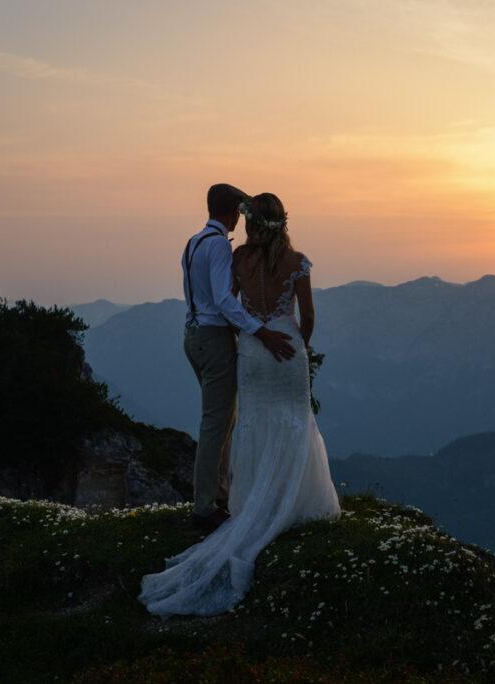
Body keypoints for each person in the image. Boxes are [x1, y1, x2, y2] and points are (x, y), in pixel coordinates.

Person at [140, 192, 340, 617]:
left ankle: (245, 503)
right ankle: (290, 501)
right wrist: (296, 345)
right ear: (282, 223)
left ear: (250, 222)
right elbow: (308, 318)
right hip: (285, 348)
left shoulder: (235, 259)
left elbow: (226, 302)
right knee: (292, 421)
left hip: (249, 350)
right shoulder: (298, 262)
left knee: (249, 422)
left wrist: (252, 337)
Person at [177, 183, 295, 529]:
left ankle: (220, 496)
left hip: (193, 335)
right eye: (240, 212)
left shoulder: (193, 242)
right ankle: (204, 506)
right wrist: (261, 332)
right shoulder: (217, 246)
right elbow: (225, 300)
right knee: (216, 423)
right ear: (232, 212)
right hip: (214, 339)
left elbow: (195, 293)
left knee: (223, 418)